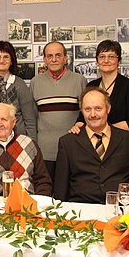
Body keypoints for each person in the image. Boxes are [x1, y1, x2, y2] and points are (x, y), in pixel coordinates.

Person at [54, 86, 129, 204]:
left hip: (120, 210)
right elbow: (61, 187)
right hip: (81, 211)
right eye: (87, 109)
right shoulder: (68, 143)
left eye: (98, 108)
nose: (93, 114)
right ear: (81, 111)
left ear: (108, 109)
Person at [30, 41, 86, 180]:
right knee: (46, 194)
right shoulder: (35, 82)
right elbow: (32, 117)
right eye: (49, 56)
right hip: (44, 151)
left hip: (73, 150)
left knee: (69, 196)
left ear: (65, 58)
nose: (53, 59)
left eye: (58, 55)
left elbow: (85, 116)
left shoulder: (79, 81)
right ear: (44, 59)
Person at [70, 40, 129, 134]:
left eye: (111, 57)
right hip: (94, 143)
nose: (106, 61)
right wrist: (77, 125)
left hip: (120, 142)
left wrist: (105, 130)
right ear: (97, 61)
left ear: (118, 61)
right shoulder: (91, 86)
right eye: (102, 57)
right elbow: (83, 117)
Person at [0, 41, 37, 140]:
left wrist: (32, 146)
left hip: (18, 141)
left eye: (6, 57)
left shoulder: (19, 85)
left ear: (11, 60)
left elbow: (30, 121)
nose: (1, 60)